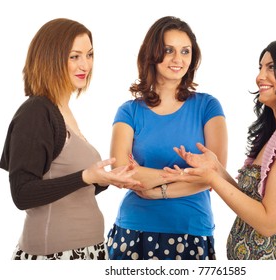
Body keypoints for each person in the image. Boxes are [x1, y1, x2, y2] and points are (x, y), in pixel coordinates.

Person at [165, 38, 276, 260]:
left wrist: (212, 179)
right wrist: (217, 169)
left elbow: (268, 223)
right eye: (260, 67)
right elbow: (253, 202)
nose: (260, 76)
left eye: (271, 67)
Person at [0, 18, 142, 260]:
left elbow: (65, 188)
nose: (85, 64)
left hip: (87, 249)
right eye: (74, 56)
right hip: (56, 254)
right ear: (51, 58)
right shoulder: (36, 111)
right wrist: (86, 176)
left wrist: (104, 180)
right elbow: (22, 194)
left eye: (89, 54)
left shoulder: (63, 110)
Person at [106, 16, 228, 260]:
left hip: (191, 229)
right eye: (168, 50)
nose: (178, 59)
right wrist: (185, 175)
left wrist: (156, 189)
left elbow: (216, 175)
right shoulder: (129, 111)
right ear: (152, 54)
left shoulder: (208, 107)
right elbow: (120, 171)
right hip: (135, 227)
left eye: (185, 51)